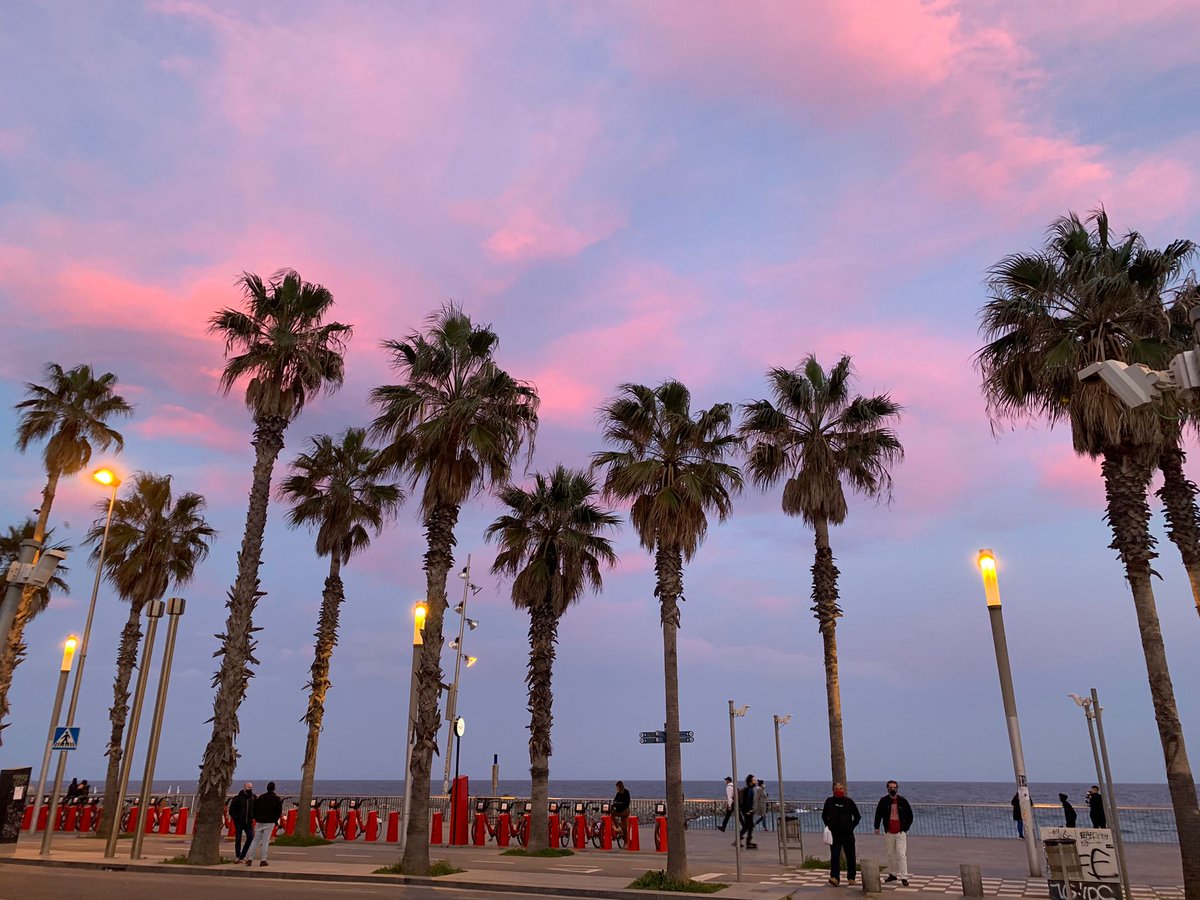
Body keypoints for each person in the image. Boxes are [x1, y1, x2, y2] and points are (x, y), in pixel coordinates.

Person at [873, 780, 913, 886]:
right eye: (890, 787)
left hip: (900, 832)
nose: (892, 789)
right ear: (887, 789)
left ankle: (904, 877)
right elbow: (878, 814)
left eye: (894, 787)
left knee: (901, 854)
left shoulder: (903, 801)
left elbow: (910, 816)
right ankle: (893, 874)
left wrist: (905, 828)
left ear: (897, 788)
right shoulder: (883, 801)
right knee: (891, 854)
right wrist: (876, 827)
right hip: (889, 832)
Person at [822, 782, 861, 886]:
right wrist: (828, 826)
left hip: (848, 835)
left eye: (840, 788)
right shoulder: (829, 801)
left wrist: (851, 827)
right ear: (833, 790)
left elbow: (857, 817)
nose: (839, 790)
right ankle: (835, 877)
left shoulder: (849, 802)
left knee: (851, 856)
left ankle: (851, 878)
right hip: (834, 835)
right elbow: (824, 816)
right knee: (834, 856)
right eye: (837, 789)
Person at [245, 781, 282, 867]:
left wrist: (256, 818)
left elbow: (255, 808)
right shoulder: (276, 799)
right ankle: (263, 860)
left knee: (255, 840)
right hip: (270, 822)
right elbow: (278, 811)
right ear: (274, 788)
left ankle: (249, 859)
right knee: (265, 841)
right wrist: (275, 820)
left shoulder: (261, 797)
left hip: (259, 821)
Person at [230, 782, 256, 863]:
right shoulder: (238, 798)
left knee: (251, 837)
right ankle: (238, 856)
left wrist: (253, 816)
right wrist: (236, 819)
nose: (250, 789)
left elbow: (256, 808)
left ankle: (242, 855)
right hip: (239, 822)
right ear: (244, 787)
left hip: (249, 822)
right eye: (248, 787)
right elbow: (232, 810)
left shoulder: (253, 797)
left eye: (251, 787)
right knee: (238, 839)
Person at [738, 775, 758, 849]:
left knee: (749, 826)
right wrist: (748, 810)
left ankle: (747, 841)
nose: (755, 781)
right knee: (748, 826)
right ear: (750, 781)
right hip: (747, 811)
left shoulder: (751, 789)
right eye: (753, 780)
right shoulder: (748, 790)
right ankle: (744, 841)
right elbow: (746, 801)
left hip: (749, 810)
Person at [610, 781, 631, 847]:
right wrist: (615, 805)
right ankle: (626, 843)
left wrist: (618, 804)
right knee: (624, 828)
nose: (616, 788)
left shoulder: (626, 792)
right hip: (620, 811)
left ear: (619, 786)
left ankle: (618, 827)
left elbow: (626, 803)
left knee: (612, 814)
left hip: (625, 811)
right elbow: (614, 801)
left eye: (617, 787)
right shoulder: (618, 793)